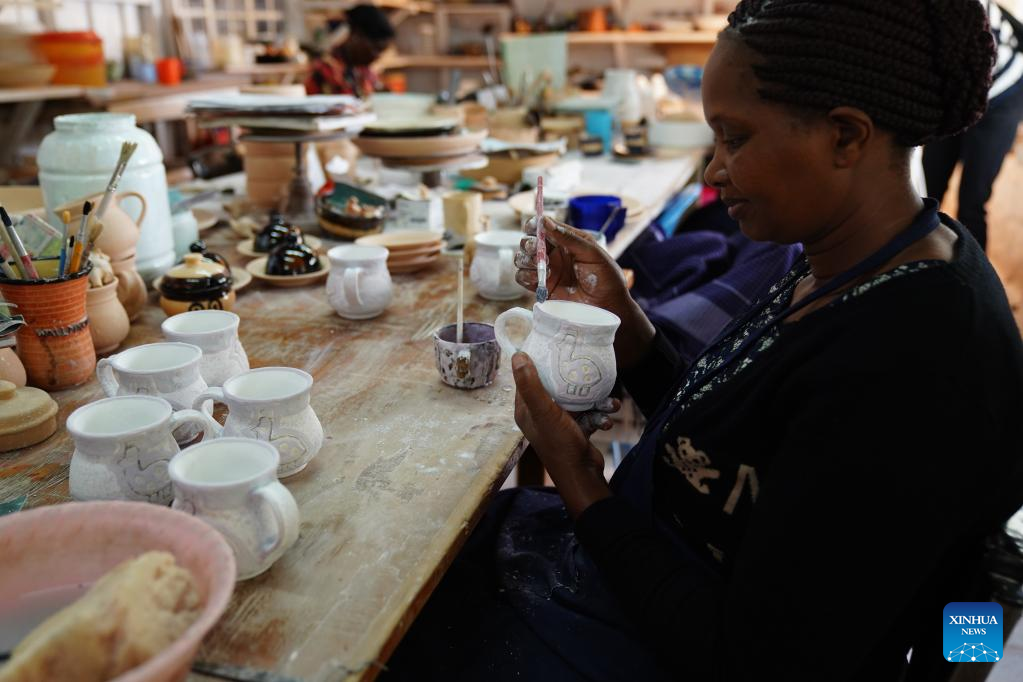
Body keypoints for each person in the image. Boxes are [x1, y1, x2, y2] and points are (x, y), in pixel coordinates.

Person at [386, 1, 1023, 681]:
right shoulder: (854, 257)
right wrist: (627, 325)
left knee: (390, 628)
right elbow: (732, 446)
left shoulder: (911, 362)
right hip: (652, 574)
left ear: (844, 137)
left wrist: (577, 477)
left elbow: (748, 660)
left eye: (735, 139)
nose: (714, 172)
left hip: (681, 644)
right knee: (419, 548)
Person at [923, 1, 1023, 250]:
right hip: (960, 90)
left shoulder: (965, 14)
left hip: (1003, 97)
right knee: (929, 188)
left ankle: (971, 271)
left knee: (972, 201)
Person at [304, 4, 394, 98]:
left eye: (381, 51)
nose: (377, 56)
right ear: (353, 35)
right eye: (375, 49)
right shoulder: (325, 71)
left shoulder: (363, 70)